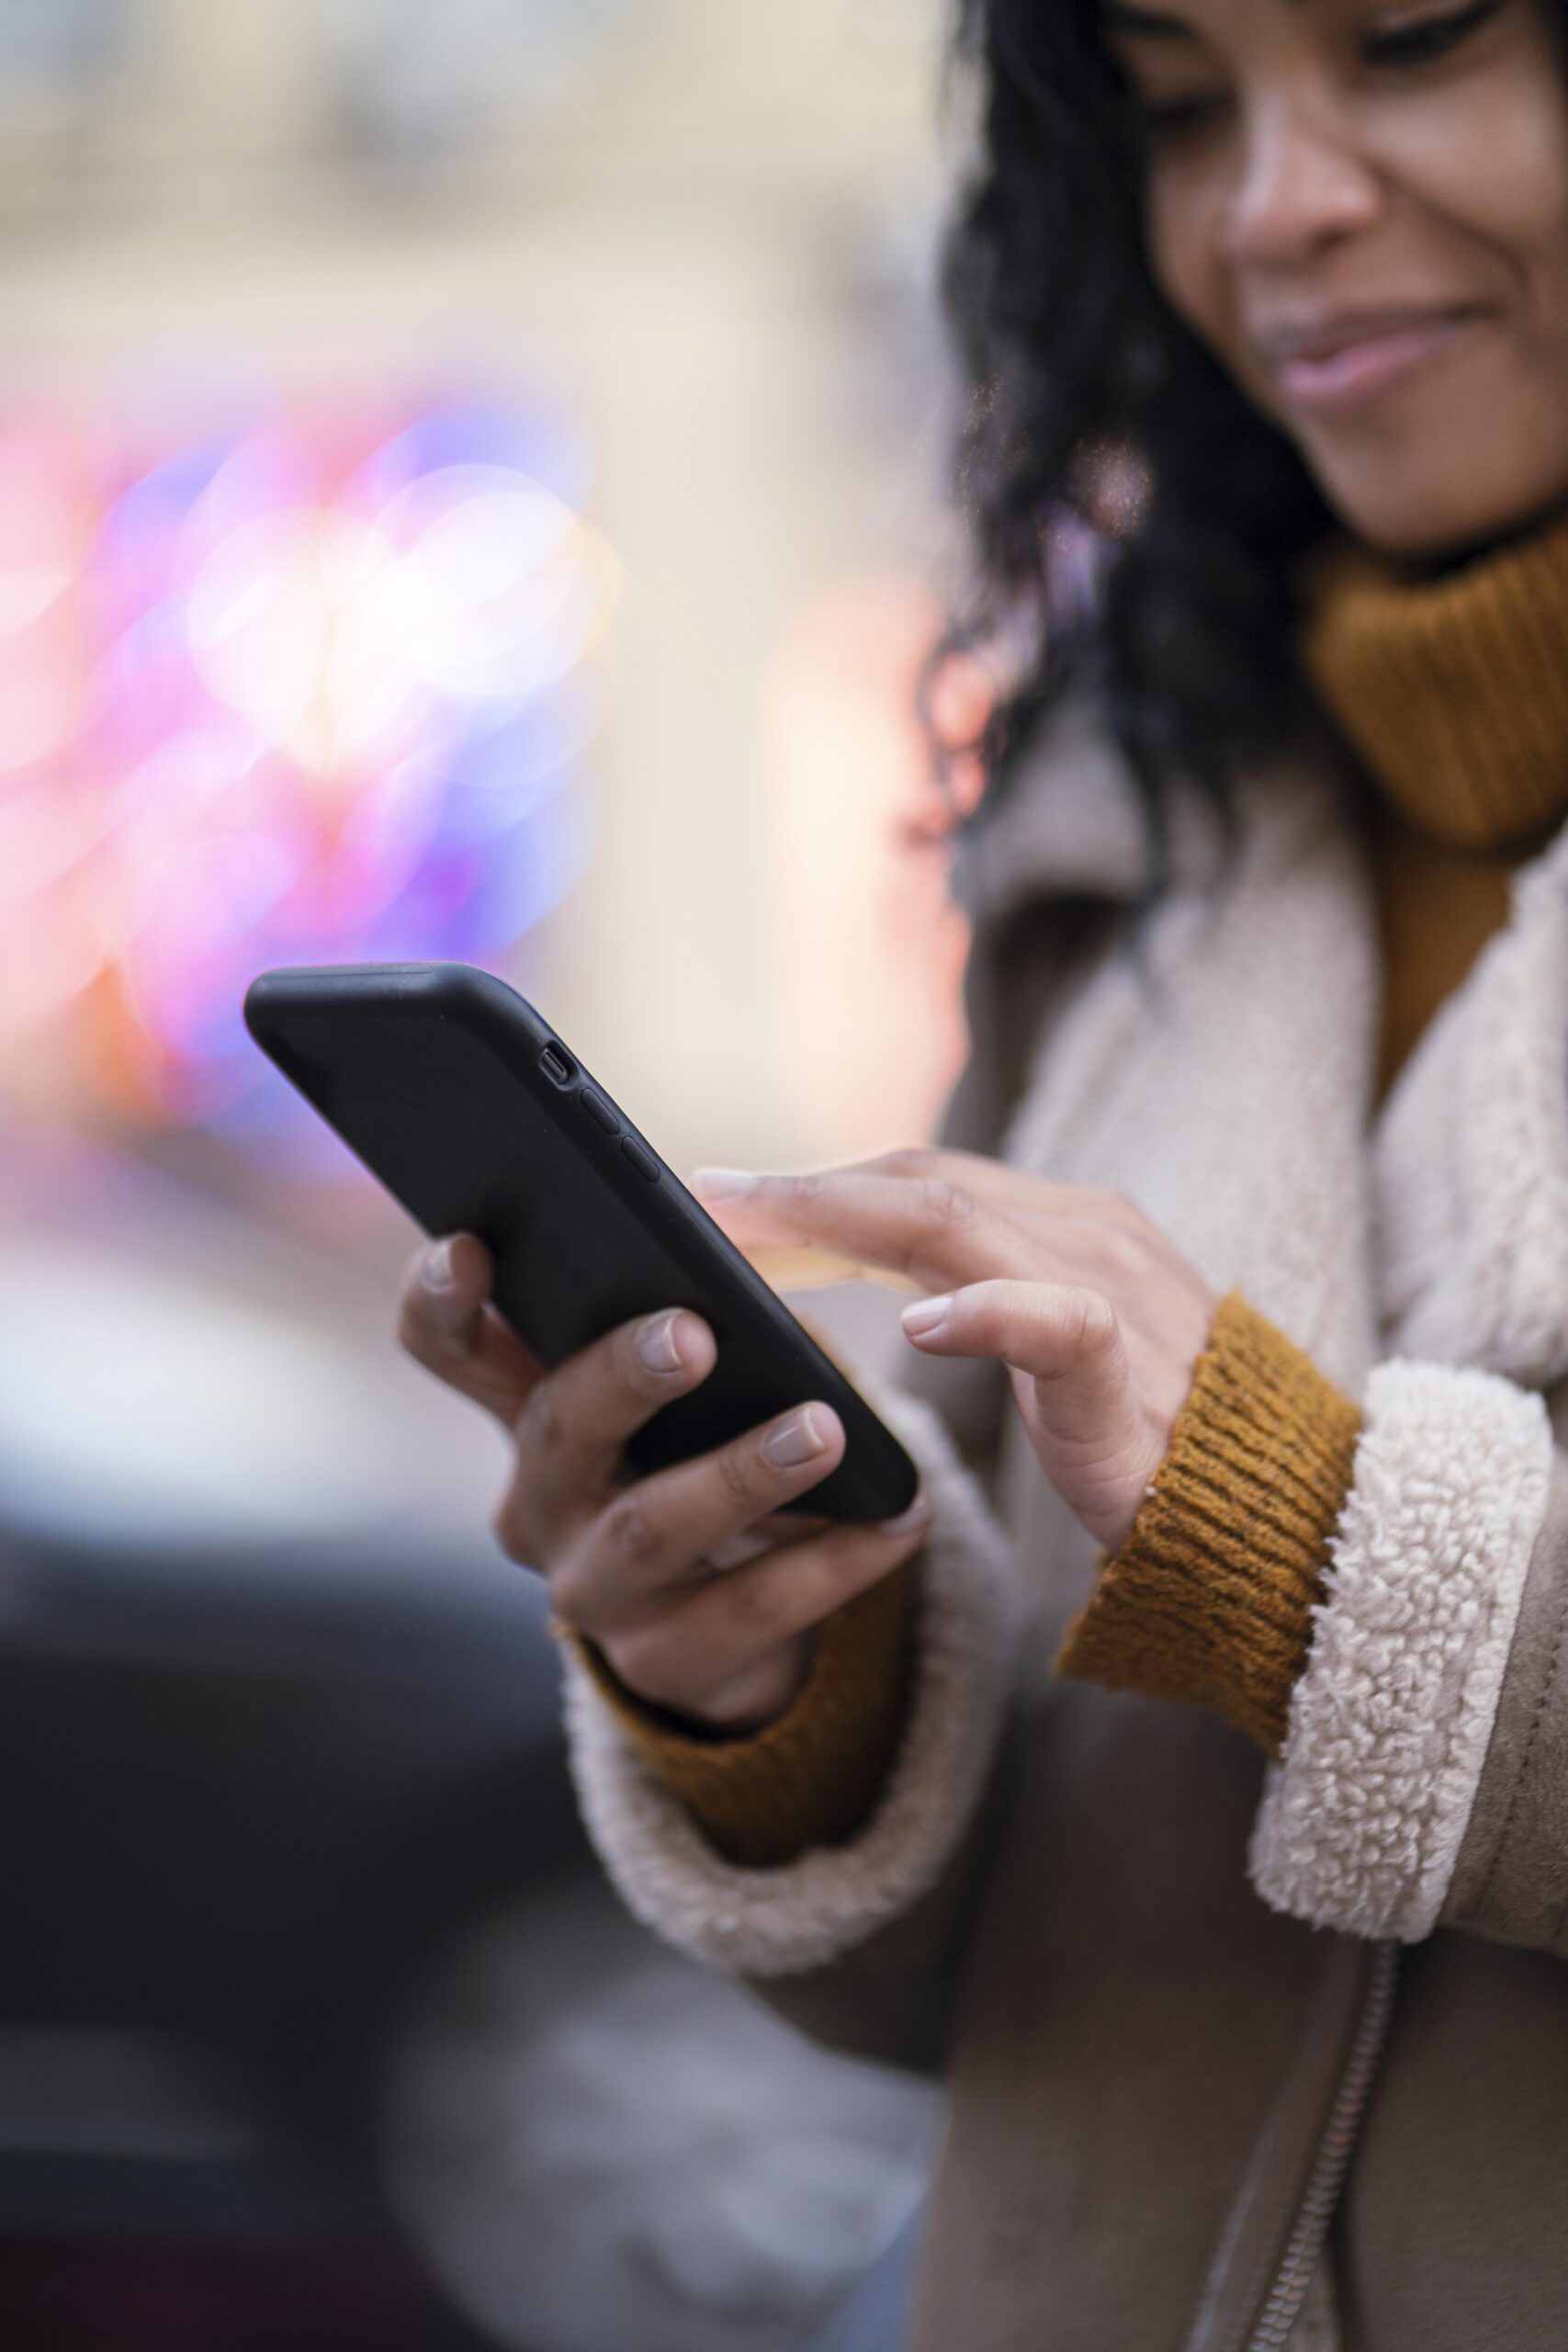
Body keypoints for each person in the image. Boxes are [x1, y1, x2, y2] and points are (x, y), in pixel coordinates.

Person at [397, 1, 1568, 2343]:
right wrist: (780, 1680)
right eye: (1175, 108)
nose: (1271, 208)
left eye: (1408, 40)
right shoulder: (1118, 850)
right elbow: (1002, 1996)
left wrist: (1305, 1534)